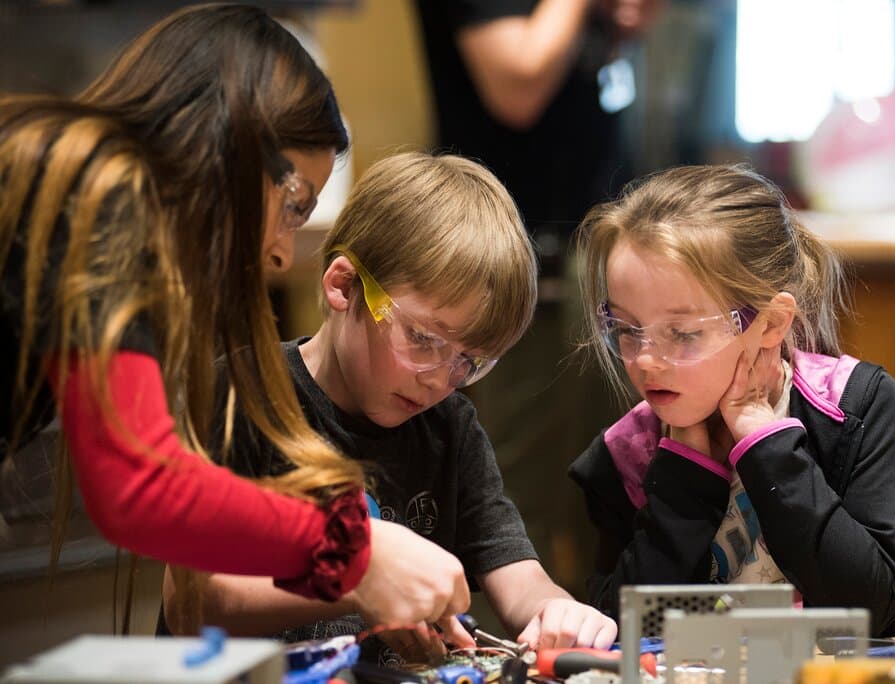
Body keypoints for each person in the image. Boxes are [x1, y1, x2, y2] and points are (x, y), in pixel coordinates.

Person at [0, 3, 468, 632]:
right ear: (229, 143)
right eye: (293, 202)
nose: (279, 252)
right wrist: (356, 548)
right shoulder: (105, 195)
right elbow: (141, 487)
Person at [161, 152, 618, 662]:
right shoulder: (244, 393)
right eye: (422, 338)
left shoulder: (450, 430)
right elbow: (192, 602)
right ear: (343, 286)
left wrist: (558, 611)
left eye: (469, 361)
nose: (440, 380)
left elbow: (519, 577)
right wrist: (353, 576)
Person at [568, 164, 895, 638]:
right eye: (627, 330)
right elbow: (621, 629)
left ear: (771, 323)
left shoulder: (855, 406)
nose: (645, 361)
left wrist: (764, 442)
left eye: (683, 333)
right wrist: (685, 479)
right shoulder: (628, 449)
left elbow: (869, 606)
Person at [413, 0, 663, 600]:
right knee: (518, 499)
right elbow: (517, 83)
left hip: (593, 235)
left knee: (614, 480)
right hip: (522, 248)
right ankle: (518, 651)